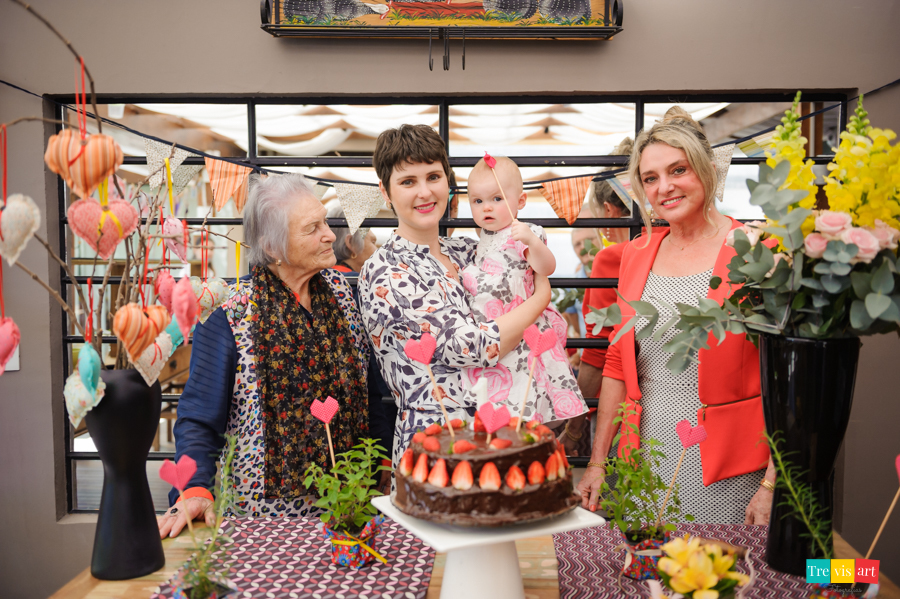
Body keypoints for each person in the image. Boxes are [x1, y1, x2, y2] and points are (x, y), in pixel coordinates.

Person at [576, 108, 776, 525]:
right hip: (645, 459)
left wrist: (772, 484)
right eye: (650, 178)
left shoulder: (756, 248)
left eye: (678, 170)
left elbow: (787, 377)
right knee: (647, 564)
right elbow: (617, 364)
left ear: (705, 169)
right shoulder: (636, 254)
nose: (664, 187)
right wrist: (596, 463)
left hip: (732, 470)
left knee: (720, 565)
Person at [158, 174, 372, 538]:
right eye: (313, 228)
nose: (330, 236)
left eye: (325, 222)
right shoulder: (230, 314)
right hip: (264, 524)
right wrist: (194, 488)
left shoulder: (342, 293)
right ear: (272, 247)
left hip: (351, 508)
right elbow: (198, 419)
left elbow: (369, 393)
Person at [358, 124, 553, 466]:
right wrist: (541, 298)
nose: (424, 192)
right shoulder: (385, 269)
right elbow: (473, 347)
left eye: (433, 177)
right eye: (408, 182)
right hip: (434, 442)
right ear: (385, 192)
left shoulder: (466, 250)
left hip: (499, 431)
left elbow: (523, 270)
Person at [459, 156, 588, 425]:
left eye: (497, 199)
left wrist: (532, 241)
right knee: (495, 393)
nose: (486, 207)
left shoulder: (524, 232)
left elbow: (547, 267)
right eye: (477, 201)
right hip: (492, 329)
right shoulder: (481, 240)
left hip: (521, 327)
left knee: (524, 389)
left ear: (520, 201)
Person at [326, 203, 396, 482]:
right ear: (350, 246)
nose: (376, 244)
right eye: (370, 239)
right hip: (373, 409)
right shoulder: (353, 286)